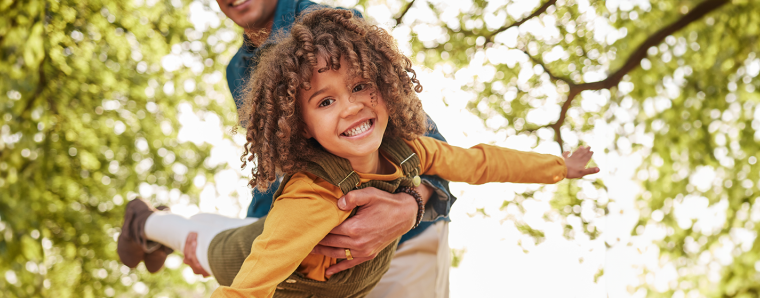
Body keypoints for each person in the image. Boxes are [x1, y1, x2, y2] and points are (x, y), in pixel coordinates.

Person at [117, 8, 600, 297]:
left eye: (361, 87)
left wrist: (559, 166)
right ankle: (149, 222)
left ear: (387, 86)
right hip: (271, 265)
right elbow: (249, 286)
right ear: (300, 125)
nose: (350, 108)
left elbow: (479, 162)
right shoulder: (313, 196)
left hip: (375, 259)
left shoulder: (407, 145)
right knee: (211, 246)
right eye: (325, 101)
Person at [211, 0, 458, 296]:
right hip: (329, 267)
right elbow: (275, 167)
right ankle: (148, 224)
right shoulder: (237, 69)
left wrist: (409, 206)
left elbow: (419, 135)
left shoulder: (323, 27)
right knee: (214, 248)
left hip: (406, 243)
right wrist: (252, 235)